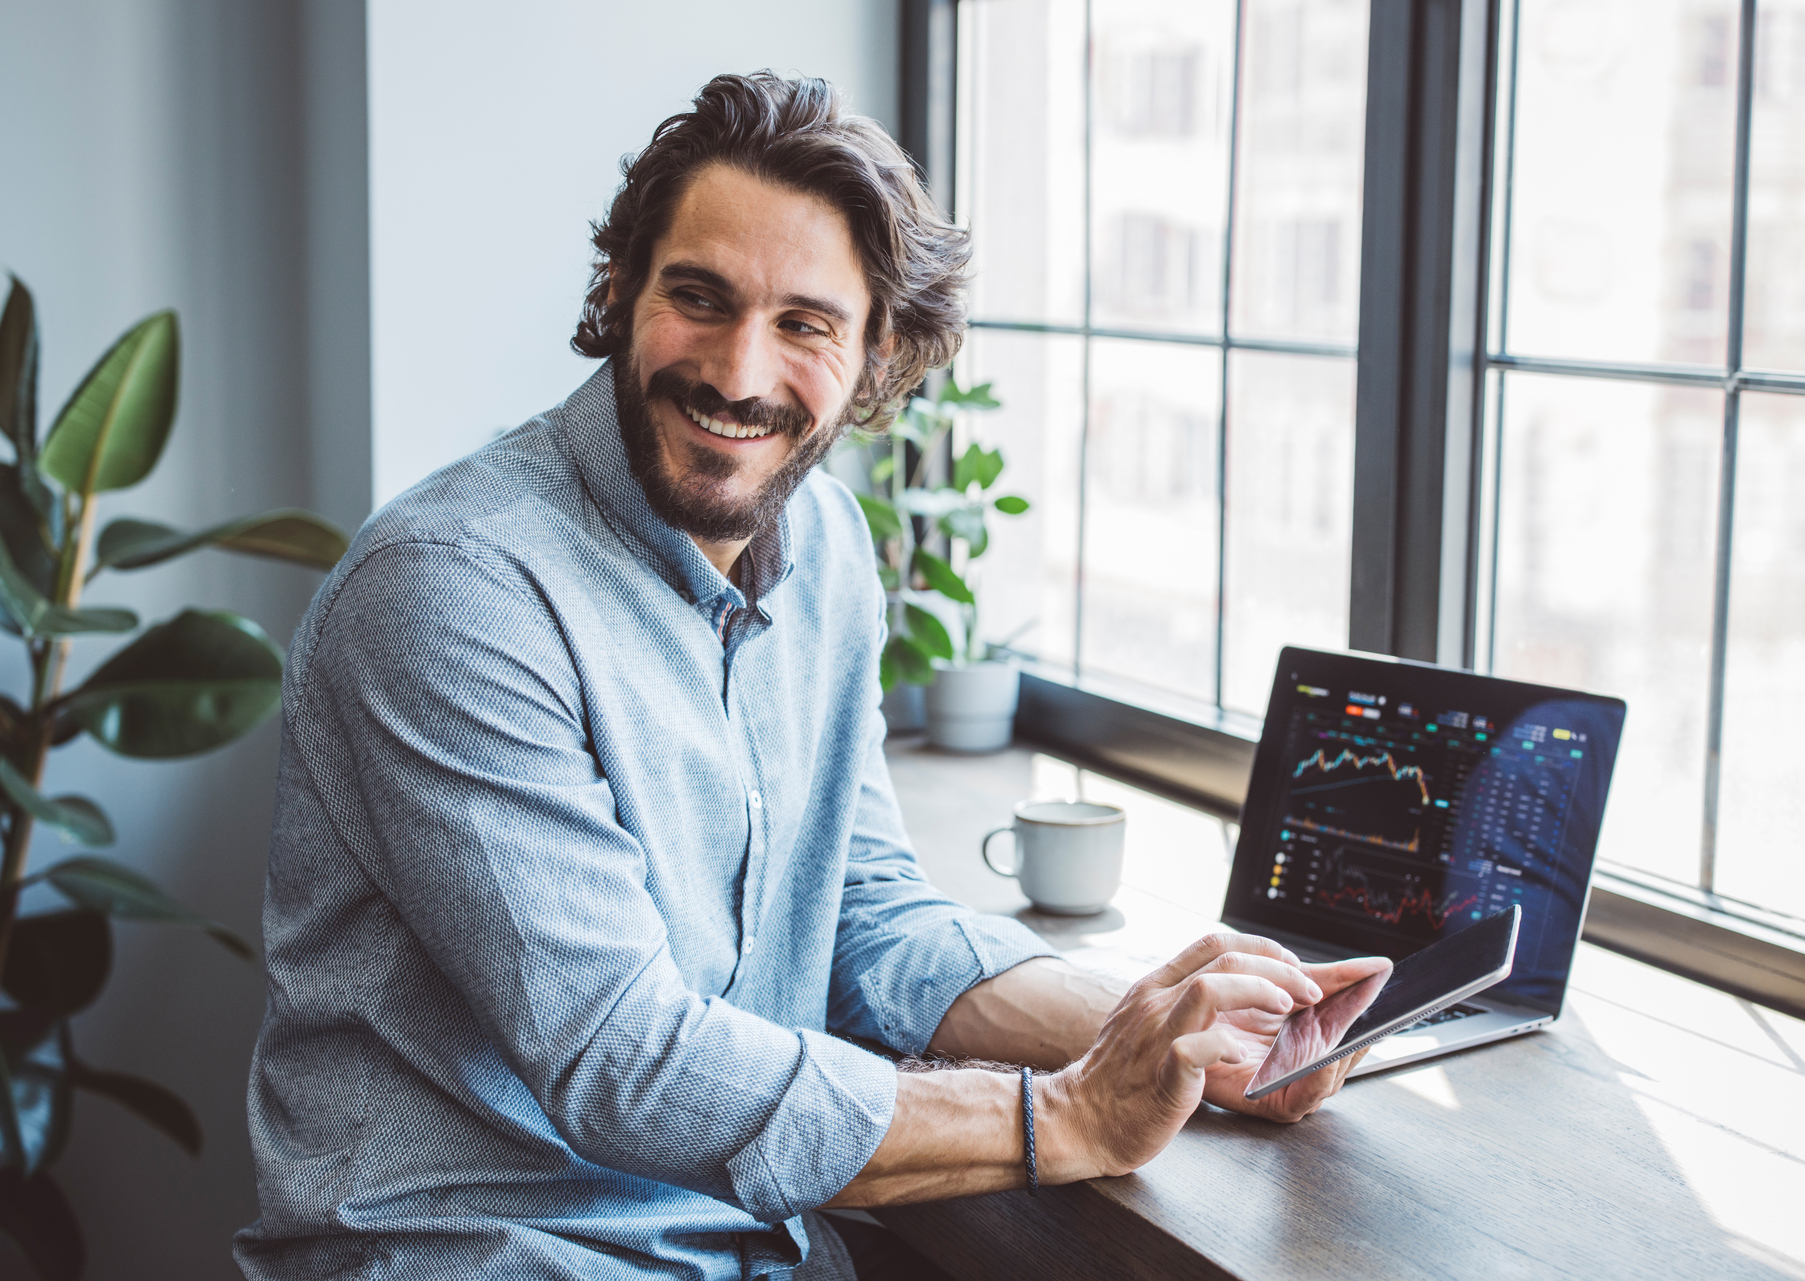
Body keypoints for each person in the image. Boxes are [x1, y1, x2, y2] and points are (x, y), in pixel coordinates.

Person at [234, 71, 1388, 1281]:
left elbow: (860, 920)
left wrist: (1171, 1036)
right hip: (485, 1253)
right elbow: (625, 1062)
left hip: (753, 1244)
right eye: (699, 297)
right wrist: (1077, 1115)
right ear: (621, 290)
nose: (739, 372)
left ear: (877, 350)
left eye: (805, 324)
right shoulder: (451, 591)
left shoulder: (829, 552)